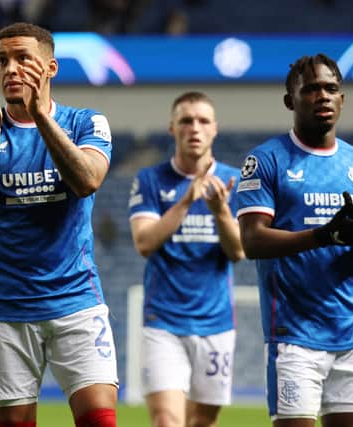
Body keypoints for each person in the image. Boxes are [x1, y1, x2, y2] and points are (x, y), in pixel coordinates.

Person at [0, 22, 118, 426]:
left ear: (51, 67)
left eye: (24, 58)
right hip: (5, 309)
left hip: (75, 302)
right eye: (2, 60)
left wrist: (42, 118)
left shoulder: (86, 123)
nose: (11, 68)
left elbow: (87, 181)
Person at [236, 53, 353, 427]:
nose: (323, 96)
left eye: (331, 88)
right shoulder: (266, 160)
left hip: (352, 332)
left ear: (342, 98)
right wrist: (325, 235)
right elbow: (252, 242)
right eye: (312, 89)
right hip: (294, 335)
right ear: (291, 101)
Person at [128, 91, 244, 427]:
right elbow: (144, 243)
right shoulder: (151, 180)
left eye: (203, 121)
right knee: (166, 420)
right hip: (163, 321)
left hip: (216, 323)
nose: (195, 127)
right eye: (186, 120)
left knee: (202, 422)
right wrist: (184, 202)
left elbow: (237, 251)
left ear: (215, 129)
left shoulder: (234, 181)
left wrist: (221, 211)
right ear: (172, 128)